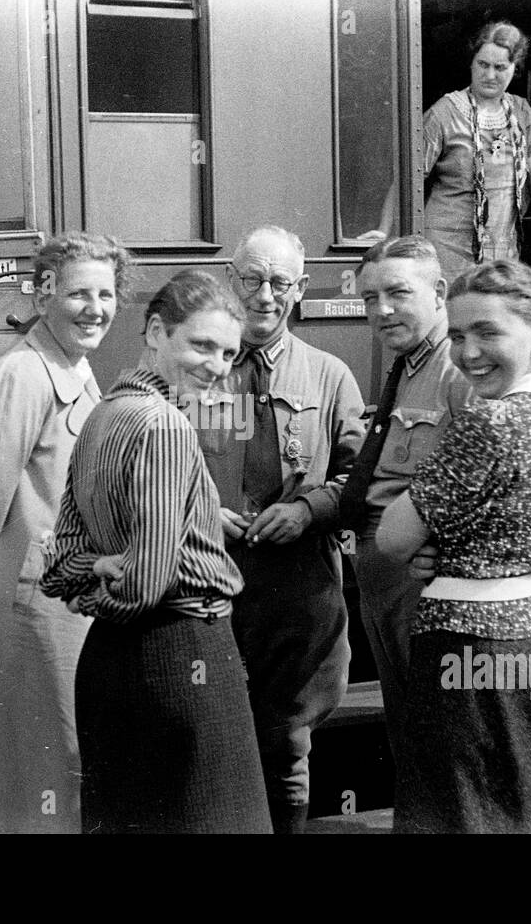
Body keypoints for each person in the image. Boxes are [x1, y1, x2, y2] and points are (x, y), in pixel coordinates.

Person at [40, 270, 272, 835]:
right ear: (154, 331)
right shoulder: (166, 424)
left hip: (109, 668)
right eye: (201, 345)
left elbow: (58, 563)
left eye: (227, 352)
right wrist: (105, 596)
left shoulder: (99, 416)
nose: (216, 366)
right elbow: (146, 584)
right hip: (183, 654)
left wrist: (87, 586)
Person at [377, 259, 531, 833]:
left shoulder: (488, 420)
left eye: (488, 333)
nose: (469, 353)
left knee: (465, 813)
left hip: (471, 651)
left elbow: (393, 536)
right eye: (459, 336)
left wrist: (433, 547)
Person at [0, 232, 132, 834]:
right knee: (32, 777)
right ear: (43, 295)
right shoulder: (24, 373)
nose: (95, 308)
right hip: (30, 611)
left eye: (105, 293)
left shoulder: (77, 369)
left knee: (60, 769)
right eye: (78, 293)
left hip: (67, 608)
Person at [195, 225, 365, 834]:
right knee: (210, 733)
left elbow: (359, 478)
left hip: (297, 590)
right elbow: (158, 463)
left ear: (300, 289)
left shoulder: (329, 375)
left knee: (287, 741)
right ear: (228, 280)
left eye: (280, 282)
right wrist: (201, 511)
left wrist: (309, 511)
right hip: (208, 580)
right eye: (251, 278)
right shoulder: (198, 369)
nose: (264, 295)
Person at [339, 235, 471, 752]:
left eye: (397, 293)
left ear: (438, 292)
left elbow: (487, 478)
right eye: (370, 298)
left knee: (439, 728)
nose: (382, 310)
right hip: (385, 578)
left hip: (422, 579)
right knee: (410, 723)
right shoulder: (411, 364)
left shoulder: (456, 370)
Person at [370, 22, 531, 280]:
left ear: (515, 69)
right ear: (472, 63)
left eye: (500, 67)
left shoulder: (521, 112)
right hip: (447, 248)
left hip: (501, 248)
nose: (490, 75)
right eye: (483, 64)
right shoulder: (445, 112)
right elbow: (409, 179)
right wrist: (383, 230)